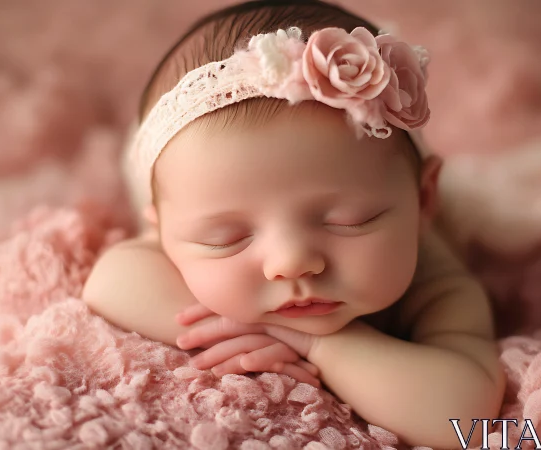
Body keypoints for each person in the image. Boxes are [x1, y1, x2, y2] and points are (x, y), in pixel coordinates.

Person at [82, 1, 505, 447]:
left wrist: (319, 346)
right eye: (226, 239)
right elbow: (109, 282)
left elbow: (461, 415)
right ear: (164, 231)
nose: (292, 263)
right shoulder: (193, 203)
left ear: (423, 201)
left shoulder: (435, 281)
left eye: (349, 221)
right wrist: (260, 328)